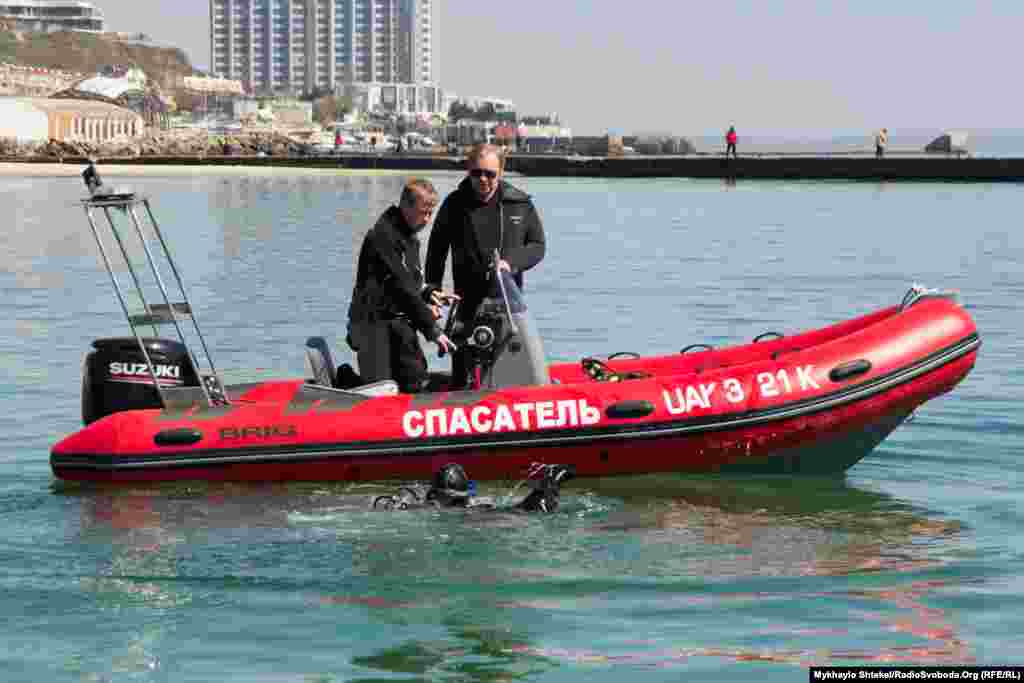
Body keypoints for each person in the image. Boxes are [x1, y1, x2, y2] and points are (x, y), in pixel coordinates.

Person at [424, 143, 546, 388]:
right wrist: (432, 292)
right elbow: (436, 250)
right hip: (466, 307)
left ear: (500, 172)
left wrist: (511, 263)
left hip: (507, 309)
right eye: (476, 173)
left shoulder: (519, 203)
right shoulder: (454, 204)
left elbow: (537, 246)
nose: (482, 179)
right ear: (468, 170)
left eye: (489, 174)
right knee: (462, 379)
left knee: (509, 376)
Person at [347, 178, 458, 393]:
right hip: (373, 324)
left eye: (431, 213)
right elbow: (401, 286)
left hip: (399, 322)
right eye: (423, 212)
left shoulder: (408, 235)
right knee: (379, 388)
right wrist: (433, 330)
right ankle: (346, 382)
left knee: (414, 379)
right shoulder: (383, 237)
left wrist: (428, 293)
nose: (427, 219)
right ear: (405, 206)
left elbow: (411, 280)